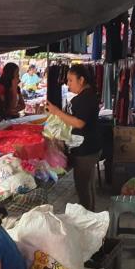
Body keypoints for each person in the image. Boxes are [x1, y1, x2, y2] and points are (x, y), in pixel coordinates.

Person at [46, 64, 101, 211]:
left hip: (86, 150)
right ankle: (90, 214)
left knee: (83, 187)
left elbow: (79, 123)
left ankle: (87, 217)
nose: (68, 84)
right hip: (87, 148)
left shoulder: (85, 98)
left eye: (70, 80)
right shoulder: (86, 96)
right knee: (87, 185)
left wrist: (57, 112)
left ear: (81, 80)